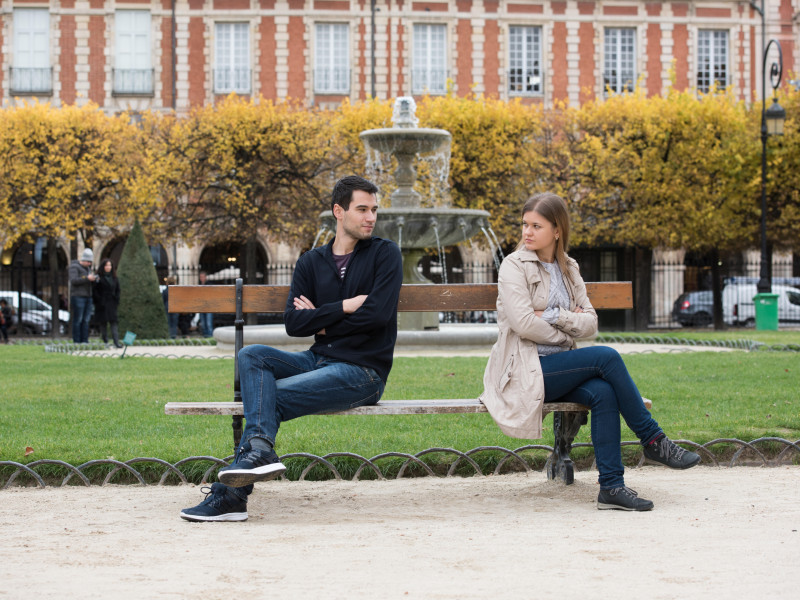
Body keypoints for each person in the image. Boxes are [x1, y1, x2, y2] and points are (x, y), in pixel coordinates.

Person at [180, 175, 403, 522]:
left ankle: (230, 496)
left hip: (362, 372)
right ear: (338, 211)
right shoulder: (310, 262)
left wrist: (320, 317)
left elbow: (377, 315)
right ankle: (258, 452)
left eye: (374, 209)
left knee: (267, 397)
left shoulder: (385, 254)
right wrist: (344, 308)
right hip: (318, 359)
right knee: (251, 355)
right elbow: (294, 324)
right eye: (362, 209)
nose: (370, 217)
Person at [480, 192, 700, 512]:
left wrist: (554, 316)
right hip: (524, 368)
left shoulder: (569, 268)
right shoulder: (514, 266)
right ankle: (654, 441)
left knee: (602, 391)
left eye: (536, 226)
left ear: (557, 230)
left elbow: (591, 324)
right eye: (525, 224)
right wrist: (567, 328)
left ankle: (611, 487)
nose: (527, 232)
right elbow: (524, 323)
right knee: (605, 357)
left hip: (560, 365)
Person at [68, 248, 98, 343]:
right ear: (83, 259)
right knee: (78, 319)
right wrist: (86, 278)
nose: (89, 264)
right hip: (78, 296)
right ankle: (77, 341)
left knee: (86, 320)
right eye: (88, 262)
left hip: (87, 296)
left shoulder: (87, 269)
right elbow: (73, 281)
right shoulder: (74, 267)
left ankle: (85, 340)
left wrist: (94, 279)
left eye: (90, 262)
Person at [93, 258, 122, 348]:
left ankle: (116, 342)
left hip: (112, 303)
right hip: (102, 303)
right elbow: (95, 291)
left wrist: (116, 300)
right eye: (106, 265)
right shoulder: (99, 278)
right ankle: (105, 341)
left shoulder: (114, 278)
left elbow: (118, 289)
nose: (108, 267)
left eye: (110, 265)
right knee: (103, 323)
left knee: (113, 322)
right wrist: (99, 301)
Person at [197, 271, 214, 337]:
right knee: (203, 323)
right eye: (200, 277)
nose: (202, 278)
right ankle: (205, 335)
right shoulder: (199, 285)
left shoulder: (209, 284)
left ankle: (210, 335)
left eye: (203, 277)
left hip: (209, 306)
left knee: (209, 323)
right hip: (202, 306)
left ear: (205, 277)